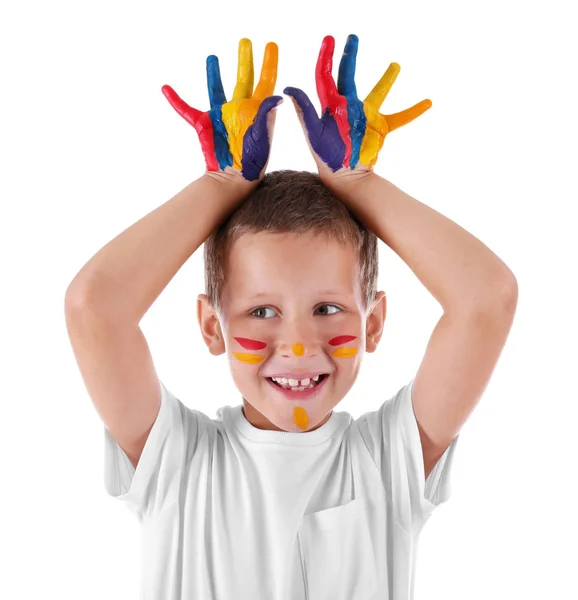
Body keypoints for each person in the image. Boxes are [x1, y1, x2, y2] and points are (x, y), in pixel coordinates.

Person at [64, 34, 518, 599]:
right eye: (261, 311)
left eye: (327, 308)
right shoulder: (176, 462)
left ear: (374, 323)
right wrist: (222, 184)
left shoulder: (386, 463)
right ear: (212, 326)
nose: (299, 345)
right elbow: (94, 307)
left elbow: (487, 298)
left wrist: (358, 183)